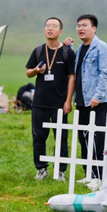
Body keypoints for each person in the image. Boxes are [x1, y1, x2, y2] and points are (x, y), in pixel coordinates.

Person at [25, 17, 75, 182]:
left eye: (54, 26)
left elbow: (72, 77)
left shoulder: (67, 52)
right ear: (44, 30)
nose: (50, 28)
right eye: (47, 26)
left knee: (61, 137)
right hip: (40, 102)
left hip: (60, 102)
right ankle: (41, 168)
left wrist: (68, 100)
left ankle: (60, 170)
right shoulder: (38, 50)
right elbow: (28, 72)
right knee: (39, 136)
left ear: (61, 31)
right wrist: (36, 70)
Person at [68, 14, 107, 190]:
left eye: (84, 25)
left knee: (98, 139)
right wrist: (68, 47)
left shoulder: (102, 48)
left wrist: (98, 96)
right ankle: (89, 174)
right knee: (84, 138)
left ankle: (99, 176)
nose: (80, 28)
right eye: (78, 26)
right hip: (82, 101)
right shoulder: (80, 49)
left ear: (94, 28)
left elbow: (106, 74)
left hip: (98, 102)